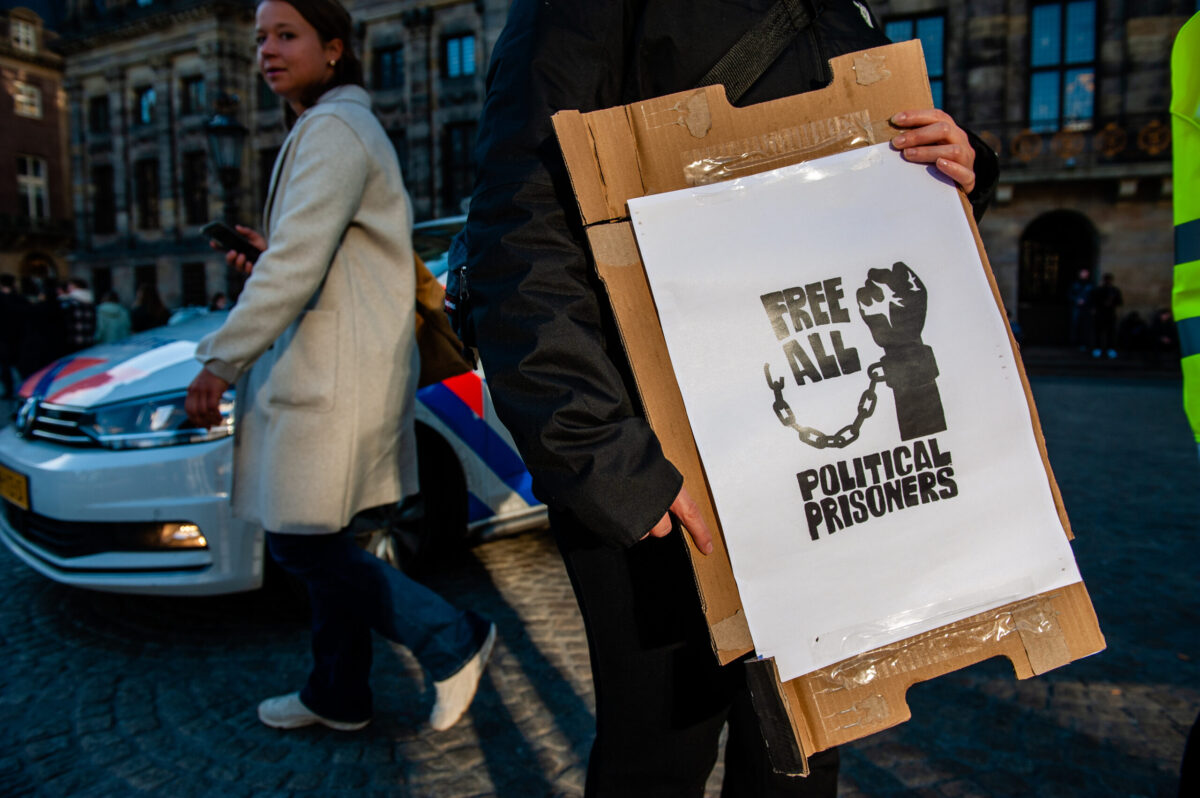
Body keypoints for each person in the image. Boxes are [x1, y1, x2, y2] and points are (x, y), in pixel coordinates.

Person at [460, 2, 998, 795]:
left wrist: (959, 160)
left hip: (827, 429)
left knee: (812, 730)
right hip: (658, 449)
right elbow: (520, 232)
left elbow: (860, 170)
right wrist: (606, 459)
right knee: (662, 749)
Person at [184, 0, 494, 734]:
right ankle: (338, 692)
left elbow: (297, 265)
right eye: (260, 37)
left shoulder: (331, 129)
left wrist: (220, 361)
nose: (266, 50)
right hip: (337, 367)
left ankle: (451, 637)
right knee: (322, 536)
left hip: (333, 378)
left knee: (301, 541)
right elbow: (315, 256)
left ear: (333, 49)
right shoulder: (330, 125)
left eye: (285, 35)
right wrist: (272, 255)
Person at [0, 274, 26, 398]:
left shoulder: (3, 299)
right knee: (19, 365)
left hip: (5, 337)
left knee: (6, 366)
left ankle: (10, 390)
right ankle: (24, 388)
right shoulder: (19, 298)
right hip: (19, 336)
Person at [59, 277, 96, 353]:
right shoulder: (90, 301)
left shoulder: (69, 302)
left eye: (70, 286)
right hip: (89, 339)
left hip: (74, 340)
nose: (68, 288)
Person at [1091, 272, 1123, 359]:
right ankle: (1097, 348)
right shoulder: (1098, 290)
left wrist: (1111, 303)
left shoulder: (1114, 291)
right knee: (1098, 332)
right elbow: (1093, 301)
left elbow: (1119, 302)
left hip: (1110, 314)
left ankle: (1110, 349)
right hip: (1100, 314)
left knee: (1110, 333)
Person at [1067, 267, 1093, 351]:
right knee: (1075, 326)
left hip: (1086, 309)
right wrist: (1076, 300)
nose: (1084, 275)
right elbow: (1069, 295)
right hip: (1076, 308)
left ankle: (1084, 344)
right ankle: (1073, 344)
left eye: (1086, 273)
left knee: (1085, 327)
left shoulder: (1090, 285)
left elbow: (1093, 297)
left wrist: (1087, 302)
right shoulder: (1075, 285)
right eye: (1083, 273)